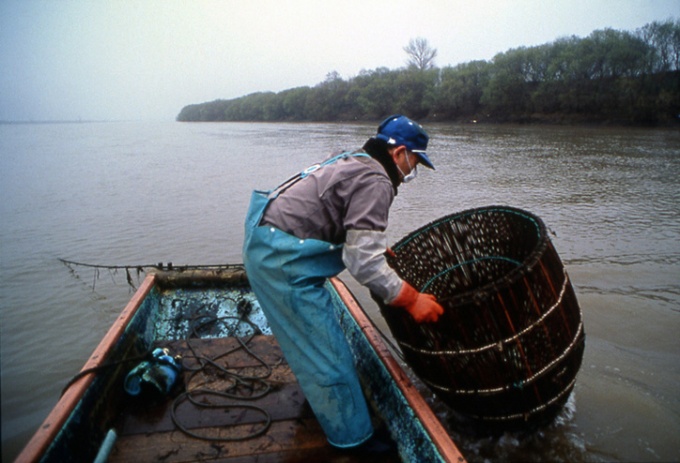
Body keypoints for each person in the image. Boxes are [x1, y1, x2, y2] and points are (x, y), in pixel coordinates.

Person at [242, 114, 444, 452]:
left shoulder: (355, 159)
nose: (412, 170)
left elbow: (346, 220)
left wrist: (373, 242)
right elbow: (362, 262)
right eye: (414, 161)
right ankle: (352, 440)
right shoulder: (378, 180)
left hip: (267, 238)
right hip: (281, 261)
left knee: (312, 345)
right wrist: (411, 300)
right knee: (328, 353)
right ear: (398, 153)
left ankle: (324, 401)